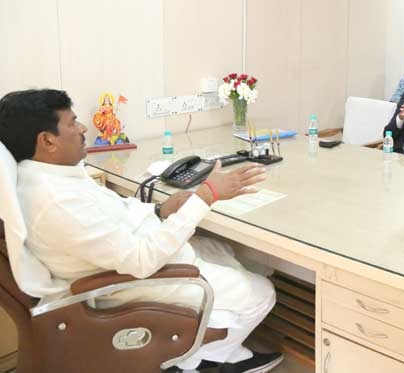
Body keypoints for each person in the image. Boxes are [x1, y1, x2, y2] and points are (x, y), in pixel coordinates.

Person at [0, 89, 283, 373]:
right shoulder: (58, 202)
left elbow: (116, 211)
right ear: (47, 140)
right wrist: (206, 196)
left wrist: (160, 210)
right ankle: (194, 361)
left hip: (133, 257)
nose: (83, 128)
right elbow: (142, 260)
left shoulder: (48, 175)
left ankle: (217, 353)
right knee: (262, 292)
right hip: (134, 280)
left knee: (232, 253)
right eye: (72, 123)